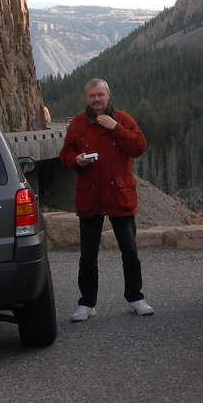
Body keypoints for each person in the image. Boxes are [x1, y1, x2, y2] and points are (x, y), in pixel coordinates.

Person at [58, 78, 154, 321]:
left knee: (129, 251)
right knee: (88, 255)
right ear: (86, 98)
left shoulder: (123, 119)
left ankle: (135, 297)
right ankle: (86, 303)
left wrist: (115, 127)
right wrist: (76, 159)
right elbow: (65, 156)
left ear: (108, 95)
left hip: (119, 194)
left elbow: (139, 146)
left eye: (100, 95)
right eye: (92, 96)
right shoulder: (78, 124)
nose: (97, 99)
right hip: (90, 196)